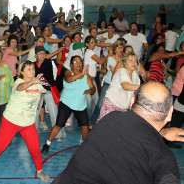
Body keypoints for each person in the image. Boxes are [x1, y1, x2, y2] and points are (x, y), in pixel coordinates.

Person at [52, 82, 180, 184]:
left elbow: (136, 127)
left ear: (132, 101)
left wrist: (161, 133)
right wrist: (160, 133)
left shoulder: (110, 118)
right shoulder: (164, 158)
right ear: (170, 113)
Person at [0, 61, 50, 184]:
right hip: (11, 121)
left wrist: (37, 102)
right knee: (0, 147)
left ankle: (40, 171)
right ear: (22, 72)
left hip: (28, 123)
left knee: (35, 149)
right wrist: (32, 82)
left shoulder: (38, 85)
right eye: (29, 69)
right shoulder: (18, 83)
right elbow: (22, 88)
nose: (32, 71)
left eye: (33, 69)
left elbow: (40, 93)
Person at [41, 56, 95, 153]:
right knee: (59, 125)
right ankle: (47, 143)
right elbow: (69, 80)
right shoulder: (68, 72)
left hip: (80, 105)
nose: (78, 64)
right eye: (75, 62)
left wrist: (90, 90)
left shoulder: (86, 76)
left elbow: (93, 88)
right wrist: (81, 74)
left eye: (80, 62)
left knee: (85, 126)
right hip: (66, 103)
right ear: (71, 65)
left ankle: (84, 145)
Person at [90, 40, 125, 126]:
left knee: (117, 105)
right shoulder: (110, 58)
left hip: (119, 86)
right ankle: (92, 123)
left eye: (122, 47)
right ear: (114, 49)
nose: (120, 49)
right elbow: (114, 72)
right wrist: (121, 65)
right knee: (100, 103)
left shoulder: (125, 59)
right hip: (108, 83)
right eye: (118, 47)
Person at [34, 46, 63, 141]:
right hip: (38, 91)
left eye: (44, 53)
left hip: (49, 90)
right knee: (35, 112)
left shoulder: (47, 63)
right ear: (36, 55)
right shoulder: (34, 64)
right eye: (40, 53)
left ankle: (58, 135)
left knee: (53, 112)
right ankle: (33, 134)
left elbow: (39, 73)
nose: (42, 55)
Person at [99, 52, 140, 119]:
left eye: (135, 61)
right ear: (125, 63)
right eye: (131, 60)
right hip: (111, 104)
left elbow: (136, 92)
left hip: (124, 108)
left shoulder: (135, 75)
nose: (134, 63)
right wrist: (142, 87)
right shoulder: (122, 71)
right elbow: (125, 86)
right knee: (107, 128)